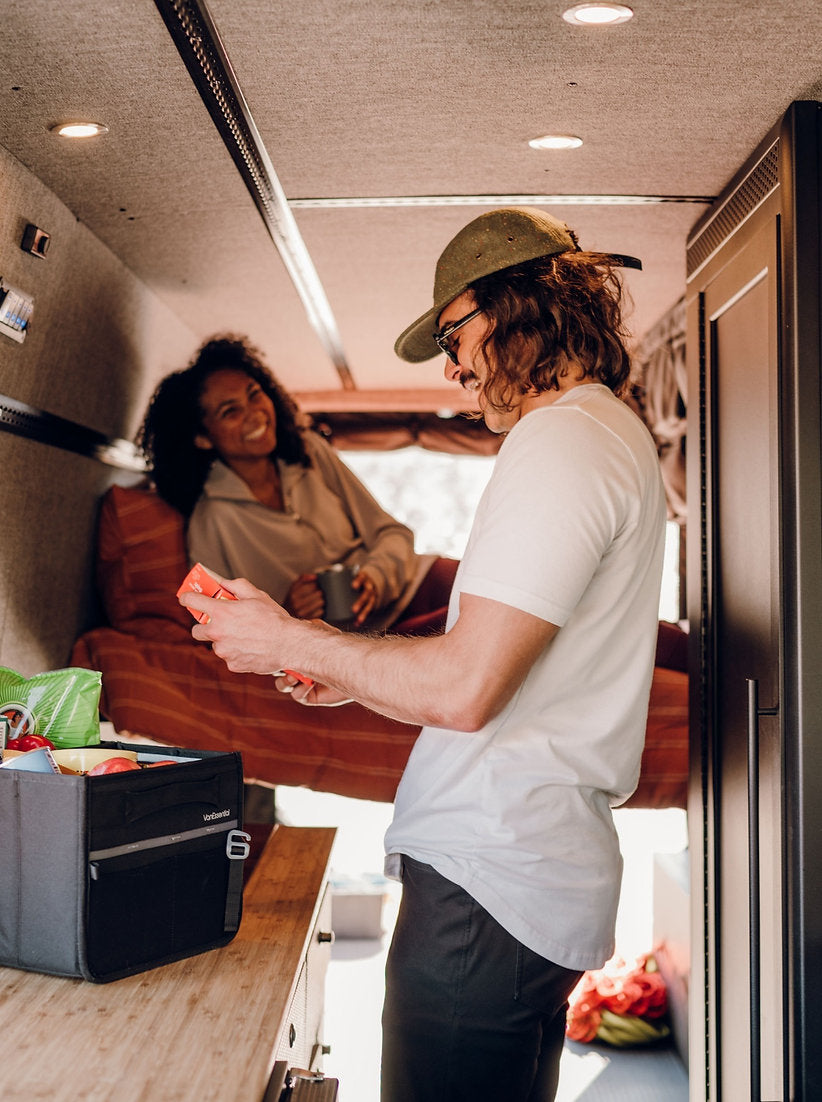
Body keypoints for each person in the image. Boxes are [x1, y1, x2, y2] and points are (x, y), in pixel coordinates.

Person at [179, 207, 665, 1101]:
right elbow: (486, 663)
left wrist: (289, 639)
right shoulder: (606, 434)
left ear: (524, 308)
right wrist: (332, 657)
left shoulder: (562, 442)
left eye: (456, 334)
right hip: (517, 877)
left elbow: (468, 688)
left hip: (491, 884)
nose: (451, 366)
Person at [139, 334, 455, 634]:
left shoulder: (310, 450)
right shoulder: (209, 523)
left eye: (254, 394)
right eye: (230, 411)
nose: (256, 414)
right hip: (361, 640)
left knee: (492, 594)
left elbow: (392, 534)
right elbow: (224, 629)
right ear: (202, 437)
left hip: (417, 582)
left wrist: (376, 577)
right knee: (475, 634)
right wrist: (288, 614)